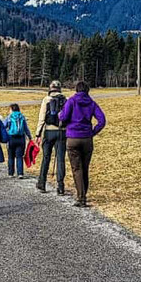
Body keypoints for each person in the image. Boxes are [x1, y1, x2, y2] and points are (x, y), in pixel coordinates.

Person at [58, 80, 106, 208]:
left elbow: (63, 117)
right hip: (87, 138)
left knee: (76, 168)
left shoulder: (72, 101)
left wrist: (60, 114)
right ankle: (84, 193)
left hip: (73, 137)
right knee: (85, 168)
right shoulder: (91, 103)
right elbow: (102, 120)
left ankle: (81, 197)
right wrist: (92, 132)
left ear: (76, 90)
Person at [34, 80, 68, 195]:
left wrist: (38, 134)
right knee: (60, 159)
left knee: (46, 157)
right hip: (62, 132)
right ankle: (60, 186)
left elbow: (42, 117)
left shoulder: (46, 99)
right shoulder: (65, 100)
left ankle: (42, 182)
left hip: (49, 131)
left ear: (50, 88)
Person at [5, 103, 33, 178]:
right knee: (19, 156)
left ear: (11, 109)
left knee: (10, 157)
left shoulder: (9, 117)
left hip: (11, 138)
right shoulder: (22, 117)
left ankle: (11, 173)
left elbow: (4, 126)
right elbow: (26, 128)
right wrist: (30, 136)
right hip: (21, 138)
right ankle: (20, 173)